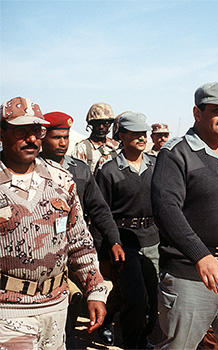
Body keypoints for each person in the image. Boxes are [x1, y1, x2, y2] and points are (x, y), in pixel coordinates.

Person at [152, 82, 218, 349]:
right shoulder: (176, 154)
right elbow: (166, 210)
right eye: (217, 110)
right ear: (197, 113)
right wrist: (200, 254)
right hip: (191, 276)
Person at [0, 97, 107, 349]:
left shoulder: (61, 181)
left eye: (37, 131)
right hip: (8, 310)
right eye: (21, 131)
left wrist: (95, 290)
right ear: (1, 133)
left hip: (56, 307)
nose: (32, 139)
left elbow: (79, 242)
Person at [40, 111, 125, 347]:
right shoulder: (31, 168)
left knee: (75, 299)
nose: (63, 143)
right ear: (43, 137)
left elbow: (99, 209)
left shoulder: (80, 170)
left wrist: (114, 240)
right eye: (57, 137)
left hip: (76, 245)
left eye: (66, 137)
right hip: (44, 249)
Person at [96, 111, 159, 349]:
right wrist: (104, 255)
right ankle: (133, 344)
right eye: (136, 134)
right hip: (122, 243)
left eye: (144, 134)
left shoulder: (157, 165)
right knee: (135, 300)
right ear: (121, 136)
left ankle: (143, 337)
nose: (143, 138)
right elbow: (100, 214)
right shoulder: (108, 169)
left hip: (152, 240)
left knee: (153, 300)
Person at [72, 102, 120, 172]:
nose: (101, 127)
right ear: (91, 124)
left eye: (105, 123)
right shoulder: (82, 148)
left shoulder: (116, 147)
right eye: (97, 123)